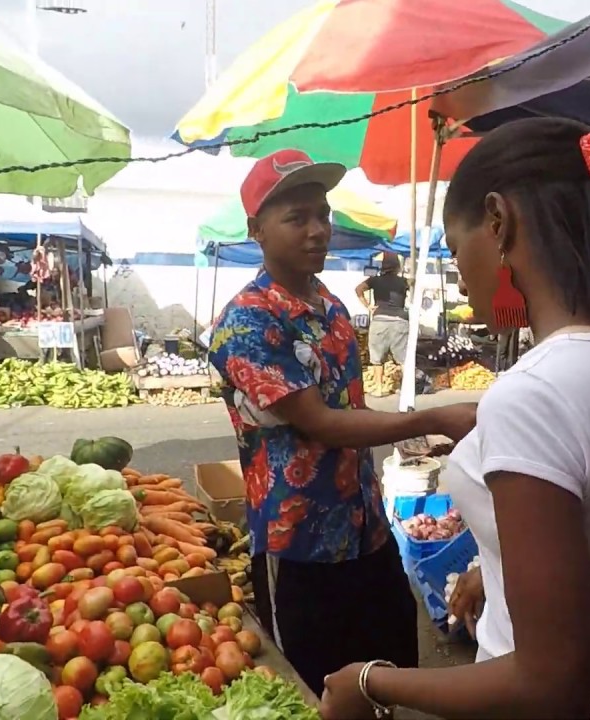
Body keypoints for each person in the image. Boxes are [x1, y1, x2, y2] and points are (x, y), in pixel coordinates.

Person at [319, 119, 590, 720]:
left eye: (454, 245)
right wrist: (498, 572)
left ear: (498, 221)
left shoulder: (532, 395)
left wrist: (371, 683)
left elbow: (553, 686)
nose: (460, 275)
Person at [206, 148, 478, 697]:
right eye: (296, 218)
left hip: (366, 531)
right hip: (298, 545)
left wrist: (420, 435)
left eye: (322, 215)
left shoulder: (329, 306)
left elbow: (350, 409)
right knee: (321, 688)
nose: (317, 230)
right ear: (257, 230)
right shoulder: (248, 320)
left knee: (389, 672)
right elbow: (322, 424)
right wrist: (433, 417)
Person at [354, 253, 409, 397]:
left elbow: (358, 289)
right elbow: (416, 290)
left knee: (377, 359)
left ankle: (378, 389)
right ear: (397, 267)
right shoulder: (404, 282)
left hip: (380, 320)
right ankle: (406, 389)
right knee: (403, 359)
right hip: (400, 320)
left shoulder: (375, 280)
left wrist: (368, 306)